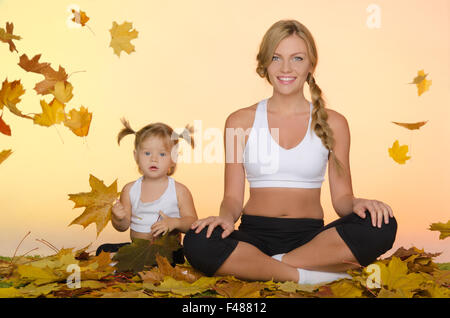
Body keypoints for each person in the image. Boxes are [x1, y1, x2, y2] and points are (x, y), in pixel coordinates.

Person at [183, 19, 397, 285]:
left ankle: (269, 268)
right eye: (276, 58)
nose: (286, 68)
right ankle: (307, 277)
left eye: (297, 58)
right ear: (264, 64)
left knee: (382, 224)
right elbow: (232, 196)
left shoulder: (335, 123)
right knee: (197, 241)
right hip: (253, 237)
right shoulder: (240, 121)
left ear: (311, 64)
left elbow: (342, 198)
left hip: (311, 241)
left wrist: (357, 204)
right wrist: (224, 219)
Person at [95, 118, 198, 266]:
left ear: (174, 158)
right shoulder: (130, 189)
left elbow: (192, 223)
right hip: (139, 250)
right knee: (103, 250)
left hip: (167, 253)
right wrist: (118, 218)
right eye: (147, 153)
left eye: (162, 154)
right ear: (136, 156)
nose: (154, 159)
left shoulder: (179, 191)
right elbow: (122, 226)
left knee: (171, 258)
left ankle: (130, 264)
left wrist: (175, 222)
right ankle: (134, 262)